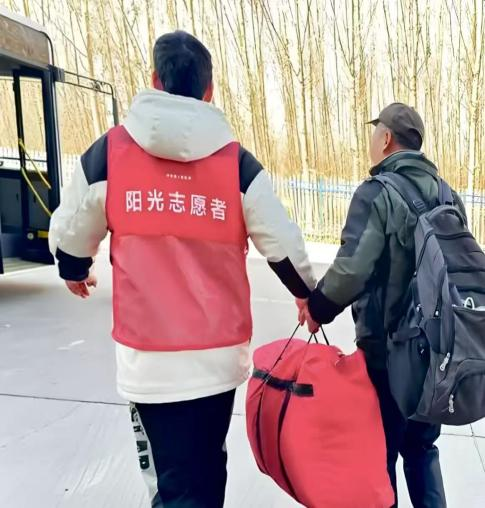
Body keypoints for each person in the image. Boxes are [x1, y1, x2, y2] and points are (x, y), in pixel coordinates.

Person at [49, 31, 316, 508]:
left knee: (171, 482)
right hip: (217, 359)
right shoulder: (237, 164)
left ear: (155, 79)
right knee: (208, 468)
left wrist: (74, 267)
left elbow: (71, 230)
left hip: (148, 361)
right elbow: (282, 243)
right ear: (208, 90)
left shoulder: (110, 153)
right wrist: (307, 294)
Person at [299, 103, 466, 507]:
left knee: (380, 454)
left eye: (376, 133)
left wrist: (317, 307)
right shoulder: (448, 195)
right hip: (437, 353)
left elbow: (352, 269)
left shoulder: (376, 193)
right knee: (423, 449)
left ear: (387, 138)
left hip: (387, 357)